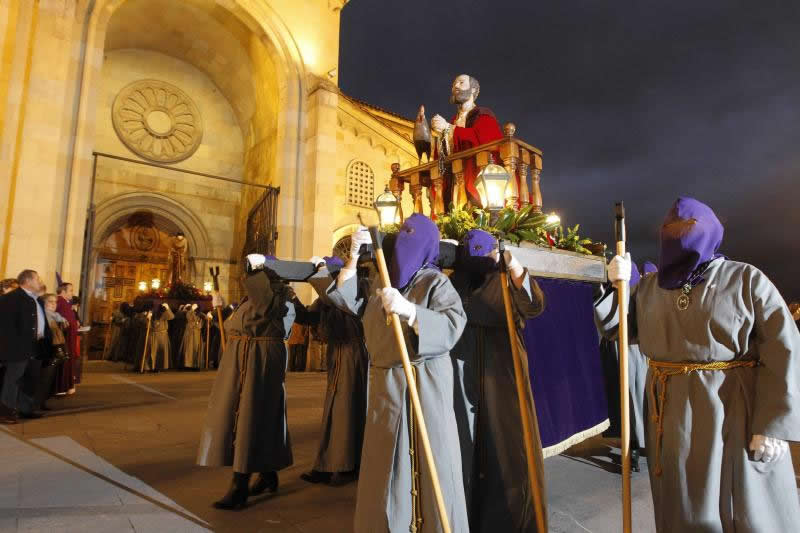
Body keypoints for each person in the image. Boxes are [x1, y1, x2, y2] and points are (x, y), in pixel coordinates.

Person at [597, 197, 800, 531]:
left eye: (689, 230)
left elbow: (784, 348)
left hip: (732, 409)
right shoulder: (650, 288)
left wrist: (772, 424)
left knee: (741, 504)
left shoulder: (745, 279)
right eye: (672, 232)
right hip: (670, 414)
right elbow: (617, 329)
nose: (681, 238)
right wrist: (614, 286)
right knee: (682, 501)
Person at [327, 214, 469, 533]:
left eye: (413, 234)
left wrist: (412, 312)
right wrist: (352, 256)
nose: (405, 240)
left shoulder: (436, 282)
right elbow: (347, 298)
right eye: (402, 232)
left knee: (432, 461)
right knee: (385, 466)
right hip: (386, 386)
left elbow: (453, 324)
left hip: (424, 381)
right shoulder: (383, 281)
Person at [448, 229, 547, 532]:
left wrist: (514, 266)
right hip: (463, 369)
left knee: (507, 447)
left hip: (502, 374)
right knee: (467, 446)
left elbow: (534, 305)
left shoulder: (504, 278)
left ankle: (511, 521)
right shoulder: (456, 280)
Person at [196, 257, 302, 510]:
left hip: (260, 358)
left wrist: (255, 271)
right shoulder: (259, 295)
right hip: (244, 356)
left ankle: (239, 484)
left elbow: (264, 308)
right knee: (251, 416)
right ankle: (267, 473)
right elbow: (243, 322)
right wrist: (221, 311)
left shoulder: (280, 294)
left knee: (251, 416)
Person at [299, 255, 369, 486]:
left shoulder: (355, 288)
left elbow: (339, 299)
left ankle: (340, 464)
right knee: (338, 409)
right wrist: (286, 297)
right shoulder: (331, 294)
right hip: (339, 352)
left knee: (347, 409)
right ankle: (335, 463)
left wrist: (319, 274)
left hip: (353, 353)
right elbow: (310, 315)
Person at [431, 74, 504, 208]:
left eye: (461, 82)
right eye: (453, 84)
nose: (455, 86)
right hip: (456, 182)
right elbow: (445, 155)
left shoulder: (484, 115)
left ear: (474, 90)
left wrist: (447, 128)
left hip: (479, 181)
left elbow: (484, 141)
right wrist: (439, 136)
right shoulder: (453, 121)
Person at [0, 270, 51, 423]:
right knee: (13, 380)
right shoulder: (11, 299)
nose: (40, 281)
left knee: (30, 379)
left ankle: (26, 409)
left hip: (36, 346)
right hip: (17, 348)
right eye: (38, 279)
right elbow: (5, 327)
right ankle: (5, 413)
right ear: (28, 281)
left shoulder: (38, 299)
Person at [140, 303, 174, 372]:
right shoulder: (149, 314)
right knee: (150, 352)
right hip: (152, 335)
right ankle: (147, 367)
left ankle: (157, 367)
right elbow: (143, 323)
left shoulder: (163, 314)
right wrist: (147, 317)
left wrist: (168, 308)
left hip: (162, 336)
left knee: (159, 352)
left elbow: (171, 317)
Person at [180, 304, 204, 369]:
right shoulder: (189, 313)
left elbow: (200, 324)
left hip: (197, 334)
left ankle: (196, 364)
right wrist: (196, 322)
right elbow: (190, 321)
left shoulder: (199, 315)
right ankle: (188, 364)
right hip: (190, 334)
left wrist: (199, 322)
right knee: (189, 349)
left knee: (196, 348)